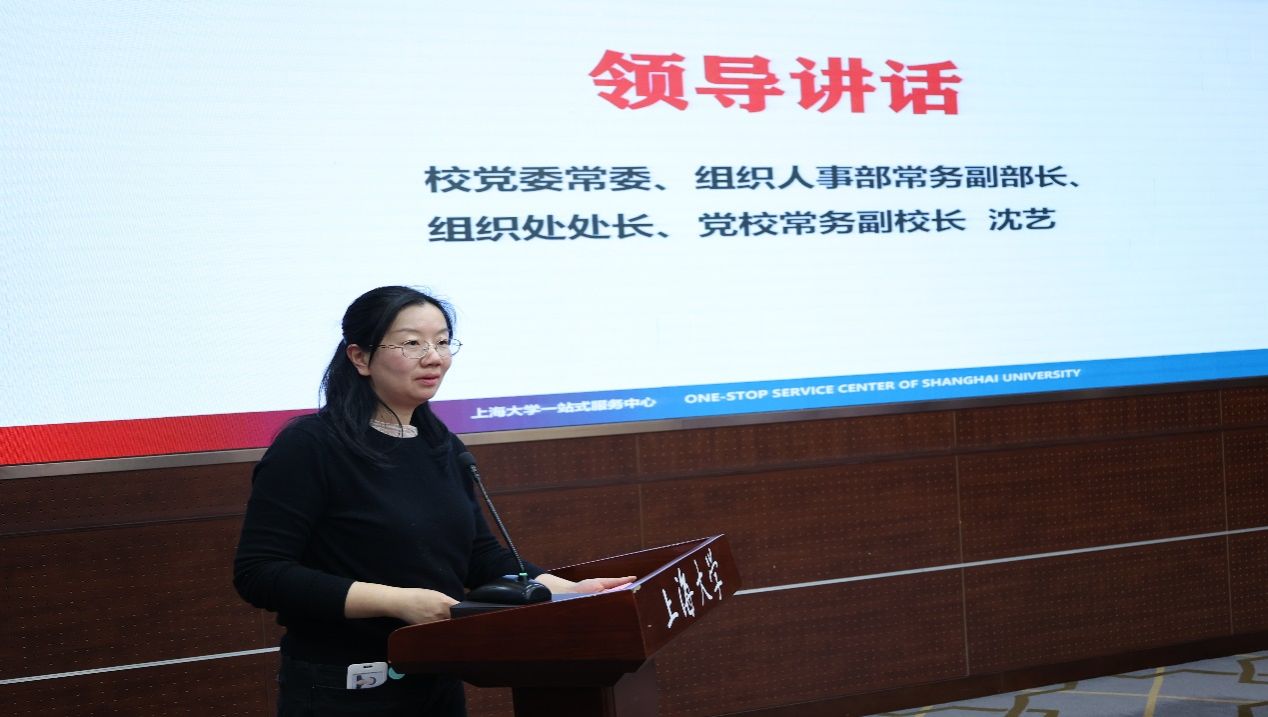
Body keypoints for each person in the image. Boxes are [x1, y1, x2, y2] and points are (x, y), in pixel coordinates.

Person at [233, 286, 633, 716]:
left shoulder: (440, 444)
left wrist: (566, 592)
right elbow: (261, 573)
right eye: (411, 343)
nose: (434, 357)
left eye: (442, 342)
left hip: (434, 677)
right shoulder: (311, 446)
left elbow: (480, 556)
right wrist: (398, 602)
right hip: (343, 688)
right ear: (360, 357)